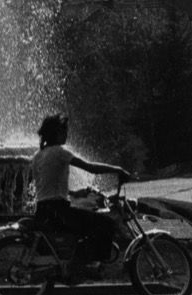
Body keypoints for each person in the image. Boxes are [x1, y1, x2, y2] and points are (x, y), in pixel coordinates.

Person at [29, 113, 132, 278]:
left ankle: (79, 263)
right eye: (64, 131)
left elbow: (44, 185)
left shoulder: (37, 156)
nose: (66, 135)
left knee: (85, 225)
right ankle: (84, 266)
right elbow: (90, 167)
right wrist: (117, 170)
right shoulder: (59, 152)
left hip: (43, 210)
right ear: (56, 133)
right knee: (106, 223)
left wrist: (73, 193)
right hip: (58, 211)